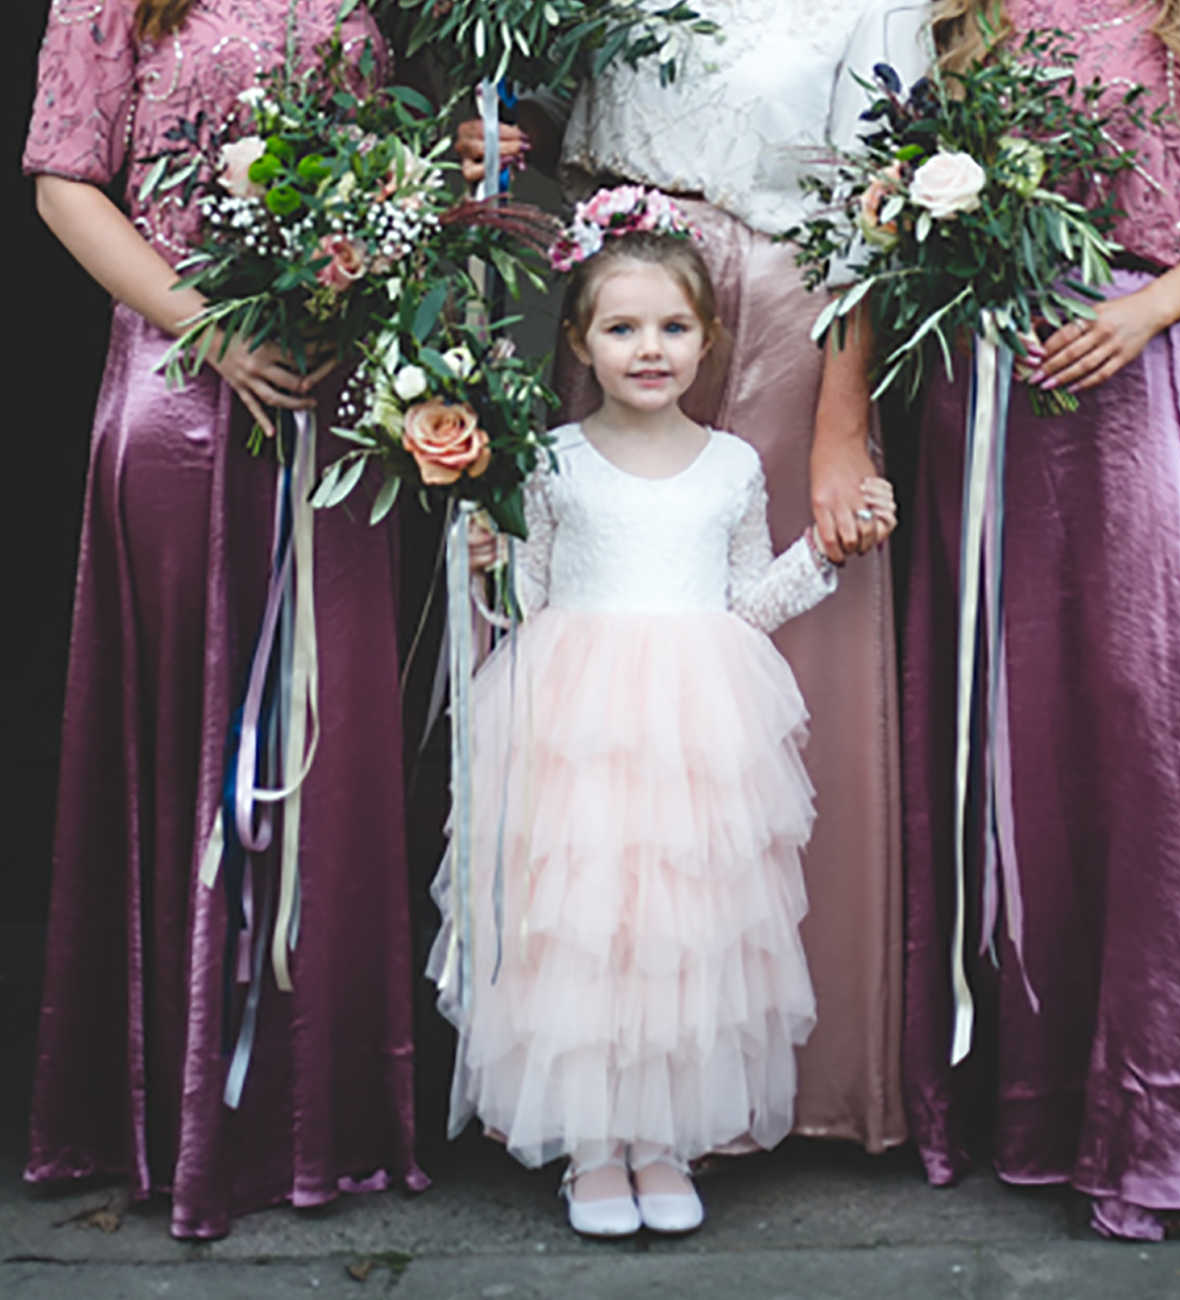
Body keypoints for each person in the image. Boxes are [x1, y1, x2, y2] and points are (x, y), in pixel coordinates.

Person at [456, 0, 933, 1158]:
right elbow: (551, 108)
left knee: (750, 686)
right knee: (607, 697)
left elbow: (883, 205)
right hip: (624, 296)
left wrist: (841, 424)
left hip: (778, 310)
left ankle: (765, 1077)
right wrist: (484, 138)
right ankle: (600, 1081)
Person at [23, 0, 426, 1238]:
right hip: (182, 392)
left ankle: (327, 1119)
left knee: (332, 741)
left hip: (340, 400)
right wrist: (209, 321)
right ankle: (184, 1113)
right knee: (198, 747)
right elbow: (64, 184)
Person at [429, 190, 898, 1237]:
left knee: (678, 932)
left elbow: (745, 606)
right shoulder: (550, 462)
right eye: (622, 328)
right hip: (574, 720)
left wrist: (823, 551)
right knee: (589, 928)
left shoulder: (732, 467)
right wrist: (487, 564)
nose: (651, 349)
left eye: (674, 328)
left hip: (697, 725)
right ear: (582, 343)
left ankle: (661, 1139)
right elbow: (528, 604)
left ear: (709, 341)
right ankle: (593, 1147)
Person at [903, 0, 1180, 1240]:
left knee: (1151, 717)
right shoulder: (967, 23)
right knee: (1023, 732)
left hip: (1152, 359)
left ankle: (1161, 1110)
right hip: (996, 396)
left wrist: (1147, 309)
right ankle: (1032, 1101)